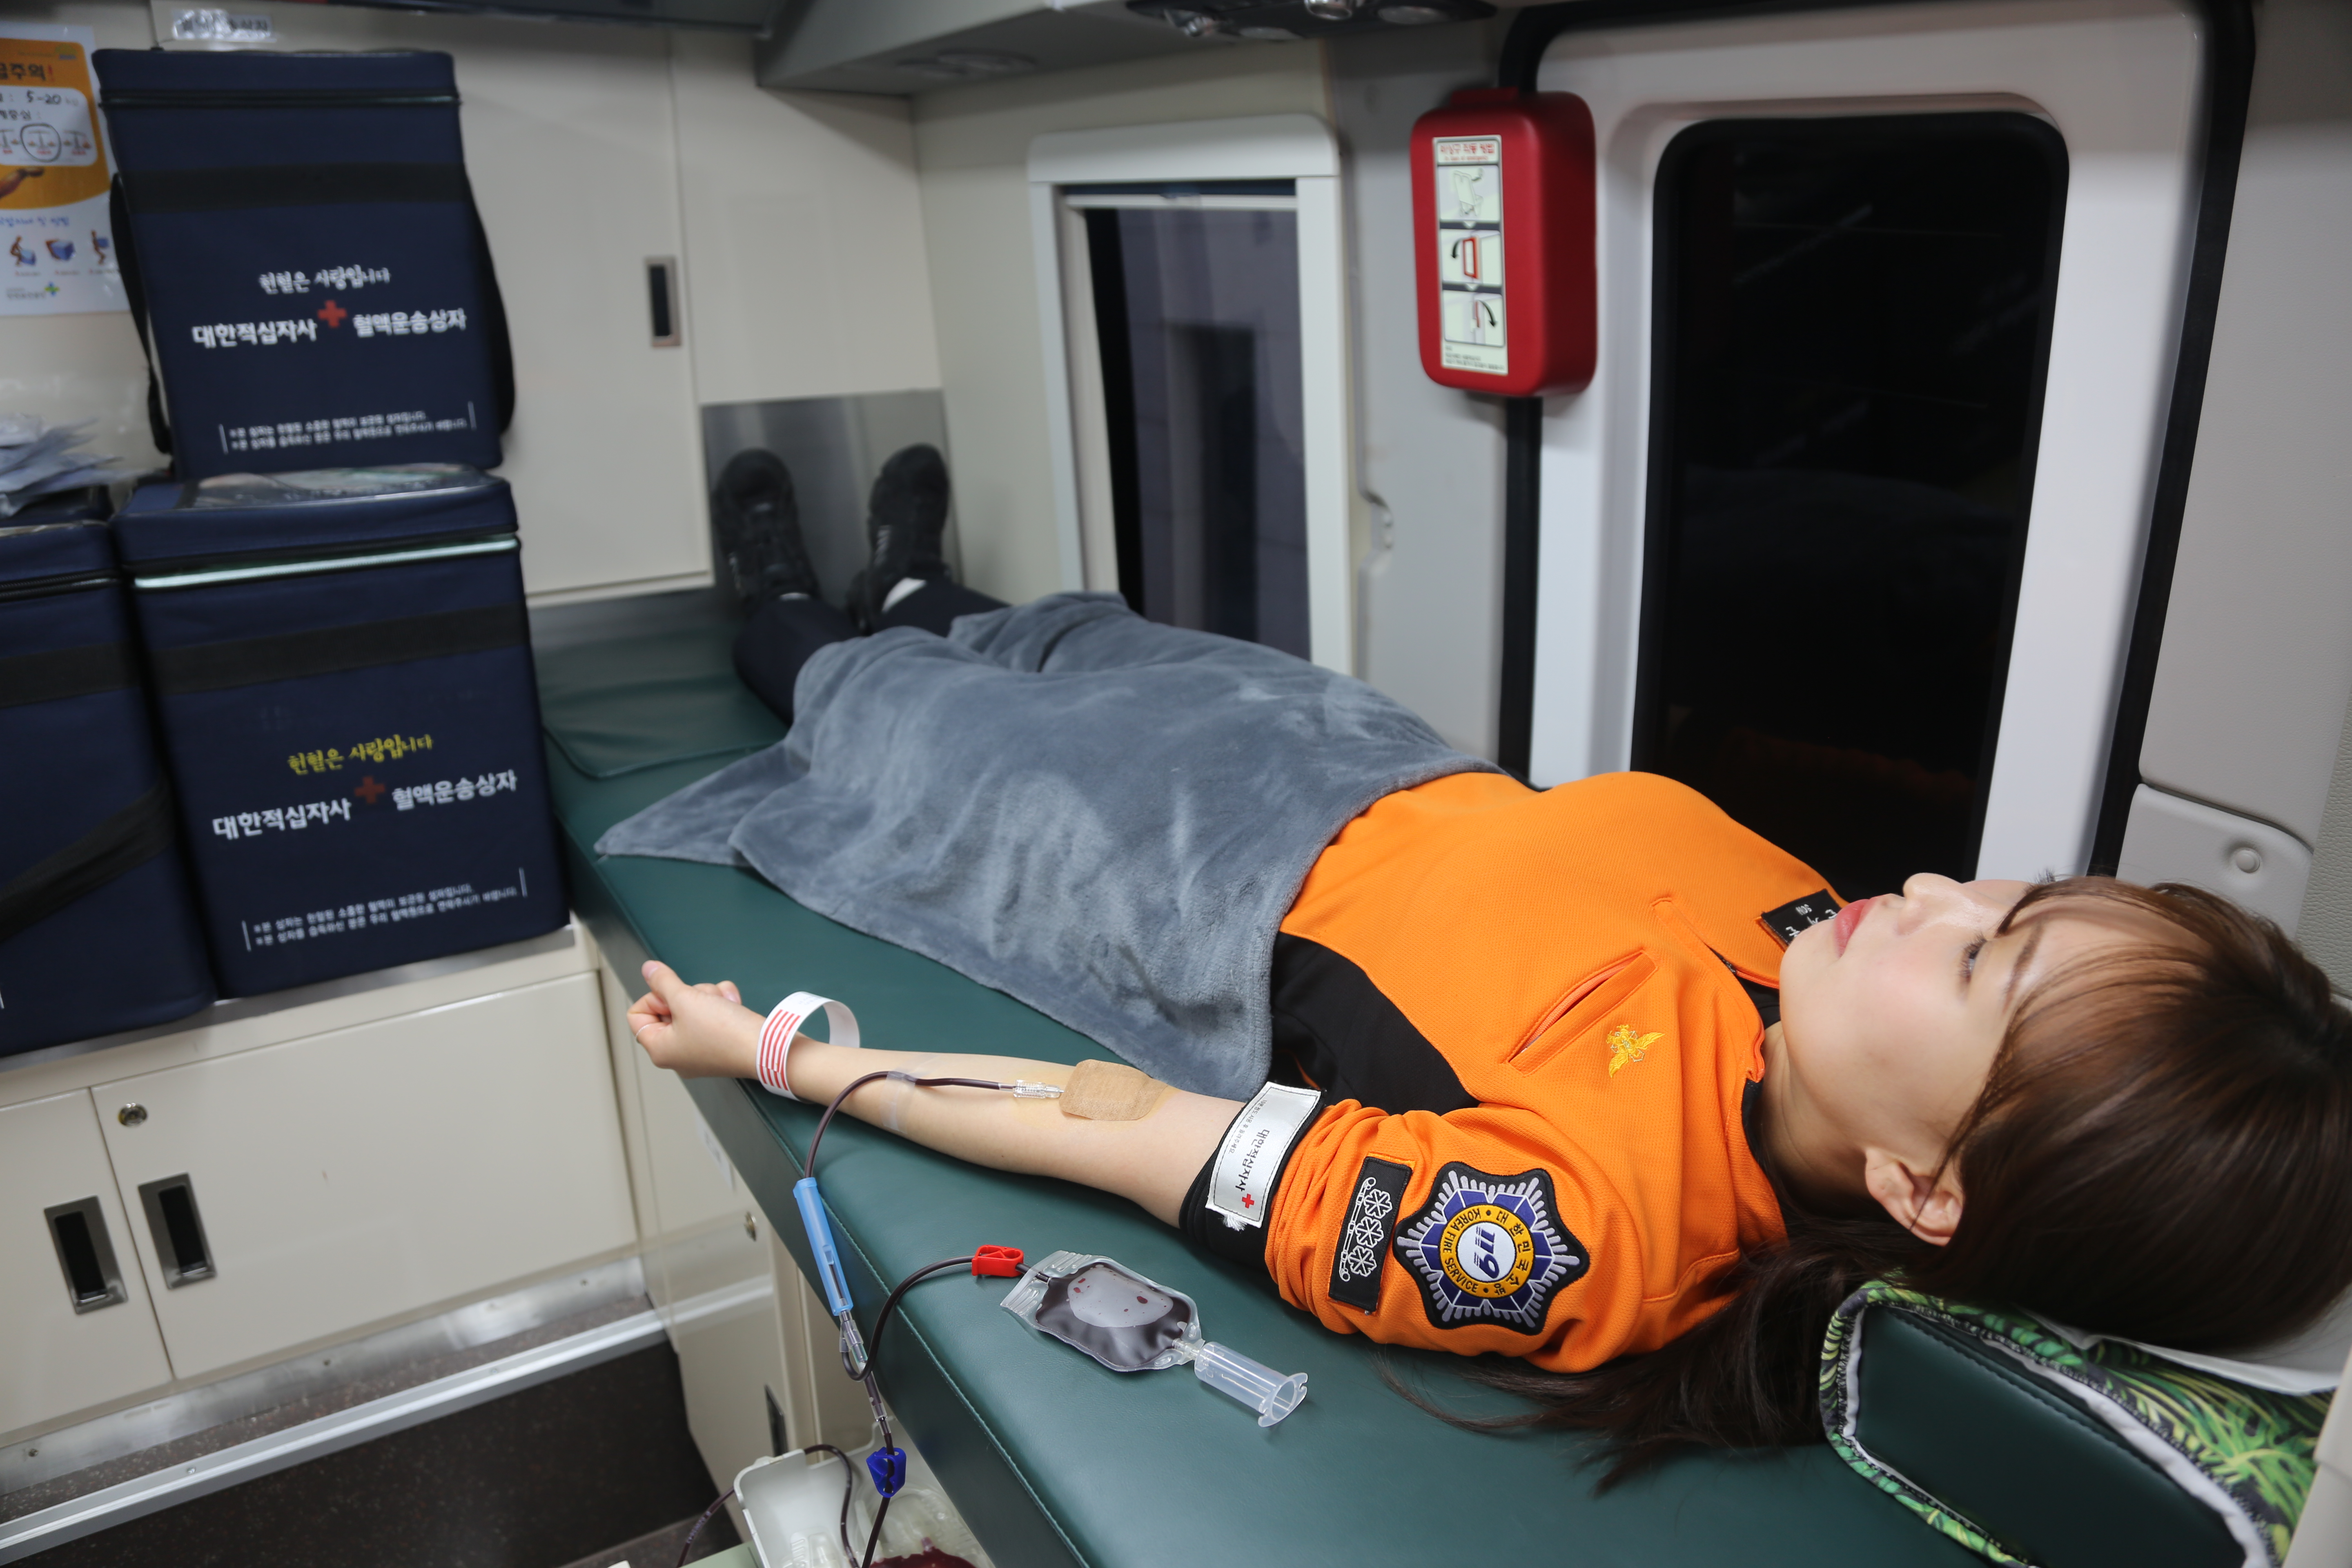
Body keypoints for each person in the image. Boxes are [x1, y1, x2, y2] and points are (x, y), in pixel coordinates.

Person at [636, 451, 2352, 1479]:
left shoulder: (1574, 1236)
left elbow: (1120, 1125)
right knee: (1087, 635)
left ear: (1928, 1189)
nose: (1934, 888)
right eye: (2014, 898)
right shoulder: (1827, 968)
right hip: (1365, 753)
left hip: (1182, 870)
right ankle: (918, 583)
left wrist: (781, 1055)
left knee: (891, 716)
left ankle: (787, 616)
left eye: (1982, 961)